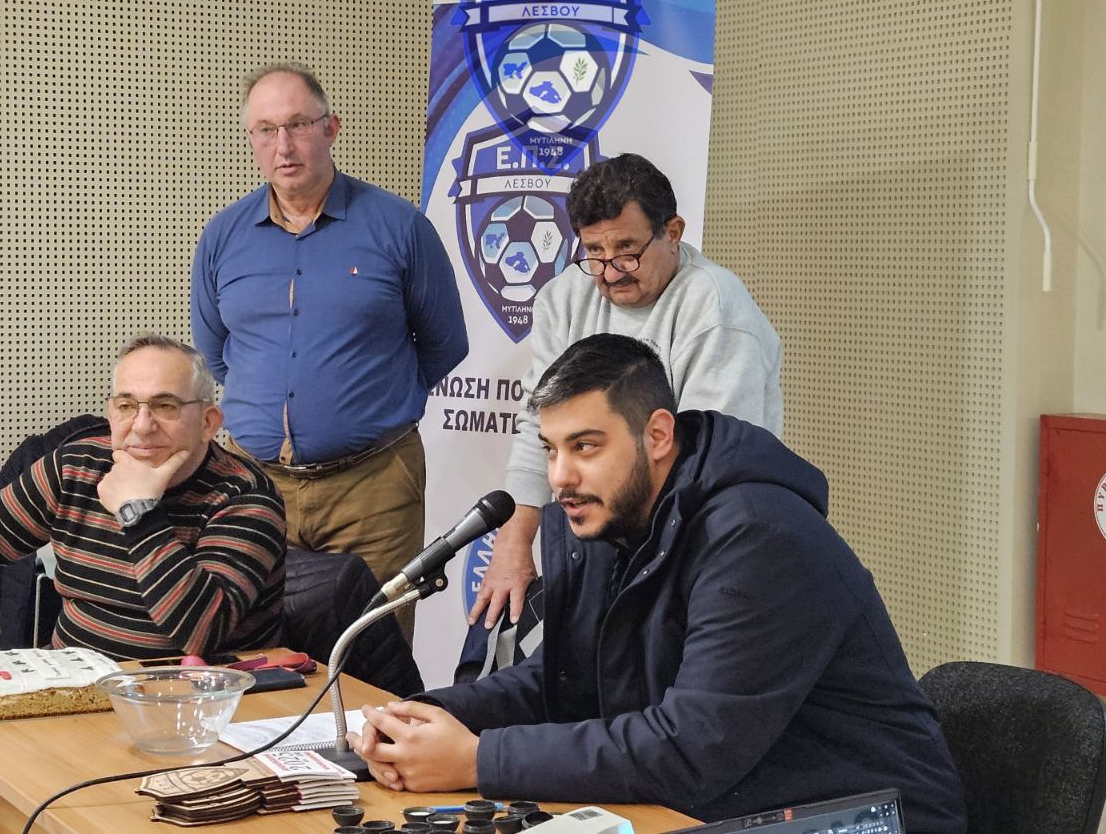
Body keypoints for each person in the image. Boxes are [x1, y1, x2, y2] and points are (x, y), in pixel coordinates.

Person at [350, 334, 965, 831]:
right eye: (551, 450)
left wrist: (477, 760)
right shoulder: (606, 515)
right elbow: (563, 679)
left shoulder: (758, 535)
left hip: (854, 817)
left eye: (585, 447)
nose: (560, 477)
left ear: (659, 435)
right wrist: (422, 719)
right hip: (724, 804)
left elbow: (692, 748)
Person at [0, 334, 290, 832]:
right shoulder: (75, 466)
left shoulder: (245, 497)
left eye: (165, 406)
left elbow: (197, 632)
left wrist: (138, 511)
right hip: (74, 692)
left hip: (195, 714)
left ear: (209, 422)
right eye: (127, 405)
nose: (142, 425)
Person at [192, 62, 467, 640]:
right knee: (255, 653)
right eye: (265, 130)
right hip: (253, 487)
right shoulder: (222, 237)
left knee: (374, 656)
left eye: (298, 124)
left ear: (330, 127)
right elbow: (217, 353)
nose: (283, 145)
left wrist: (366, 407)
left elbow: (445, 343)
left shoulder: (400, 227)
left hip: (373, 486)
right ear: (251, 139)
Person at [472, 153, 783, 629]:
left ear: (672, 232)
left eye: (627, 249)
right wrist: (512, 545)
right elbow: (540, 424)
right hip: (598, 535)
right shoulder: (564, 297)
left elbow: (709, 465)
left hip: (701, 540)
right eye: (594, 251)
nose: (611, 270)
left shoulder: (715, 308)